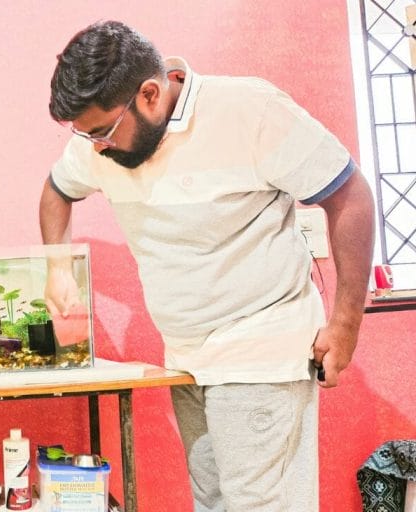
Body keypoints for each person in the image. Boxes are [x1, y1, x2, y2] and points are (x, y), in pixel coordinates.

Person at [39, 20, 375, 511]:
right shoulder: (100, 146)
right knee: (214, 500)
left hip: (260, 346)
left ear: (150, 94)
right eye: (85, 134)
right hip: (188, 358)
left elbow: (350, 196)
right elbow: (56, 192)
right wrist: (57, 266)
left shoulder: (249, 111)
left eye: (102, 131)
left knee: (257, 505)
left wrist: (346, 323)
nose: (95, 146)